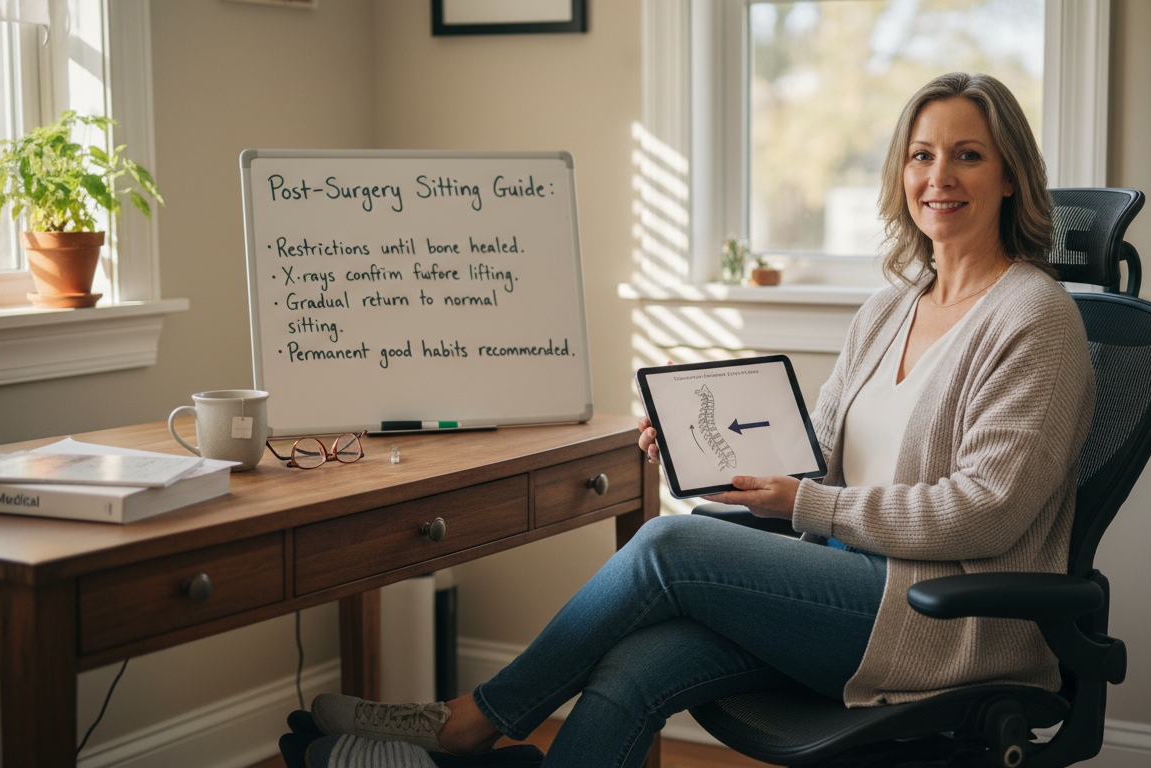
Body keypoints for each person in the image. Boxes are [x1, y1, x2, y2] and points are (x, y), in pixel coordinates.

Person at [290, 72, 1095, 768]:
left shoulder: (1036, 318)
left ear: (1010, 176)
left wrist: (804, 504)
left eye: (967, 155)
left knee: (669, 545)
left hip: (940, 620)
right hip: (843, 589)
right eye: (921, 155)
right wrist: (703, 449)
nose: (938, 176)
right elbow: (816, 451)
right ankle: (477, 732)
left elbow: (985, 509)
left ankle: (472, 723)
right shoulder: (891, 307)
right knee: (637, 666)